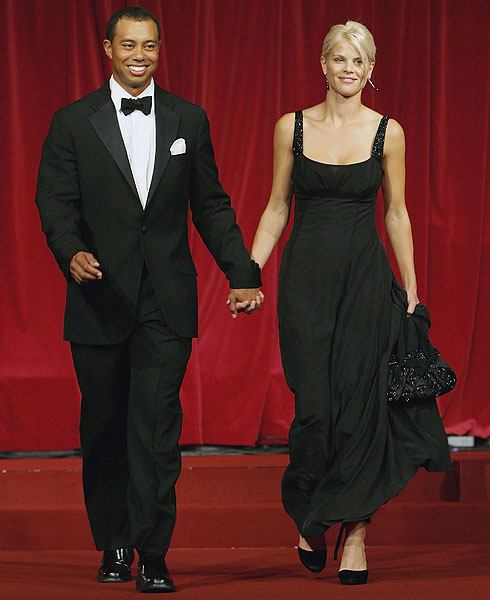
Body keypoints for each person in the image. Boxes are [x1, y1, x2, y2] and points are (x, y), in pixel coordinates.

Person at [36, 6, 262, 594]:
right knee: (105, 426)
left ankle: (154, 553)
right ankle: (114, 544)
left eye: (150, 46)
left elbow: (210, 205)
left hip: (166, 300)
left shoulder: (189, 118)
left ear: (160, 51)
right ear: (107, 49)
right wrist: (70, 251)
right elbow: (54, 203)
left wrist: (242, 271)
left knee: (157, 428)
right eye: (129, 45)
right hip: (98, 298)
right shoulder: (72, 122)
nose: (140, 55)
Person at [250, 20, 451, 585]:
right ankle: (313, 513)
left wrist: (411, 288)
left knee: (361, 411)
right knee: (315, 410)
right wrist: (248, 272)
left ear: (370, 70)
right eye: (339, 59)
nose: (348, 69)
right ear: (323, 64)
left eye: (358, 61)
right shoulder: (291, 127)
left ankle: (356, 533)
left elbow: (397, 214)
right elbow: (276, 207)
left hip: (366, 284)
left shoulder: (389, 132)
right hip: (305, 286)